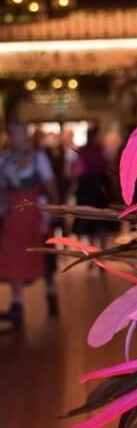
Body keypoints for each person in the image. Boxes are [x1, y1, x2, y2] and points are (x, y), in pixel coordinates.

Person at [0, 122, 60, 326]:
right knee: (13, 254)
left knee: (43, 253)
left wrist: (54, 211)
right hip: (13, 215)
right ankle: (17, 305)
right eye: (14, 133)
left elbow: (51, 186)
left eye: (21, 132)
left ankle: (51, 292)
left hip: (35, 213)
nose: (19, 137)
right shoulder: (5, 160)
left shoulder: (38, 158)